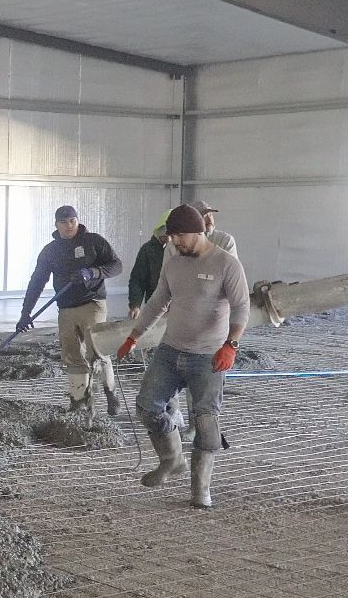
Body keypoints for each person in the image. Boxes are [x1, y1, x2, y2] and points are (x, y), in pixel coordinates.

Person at [116, 204, 249, 508]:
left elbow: (242, 308)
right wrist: (133, 336)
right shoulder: (173, 264)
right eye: (172, 236)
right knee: (147, 407)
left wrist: (232, 344)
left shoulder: (226, 264)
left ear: (199, 231)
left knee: (205, 421)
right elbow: (157, 303)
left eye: (180, 236)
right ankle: (172, 460)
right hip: (170, 350)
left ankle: (200, 488)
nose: (175, 242)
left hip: (208, 355)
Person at [17, 205, 124, 421]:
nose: (69, 226)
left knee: (97, 350)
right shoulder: (51, 250)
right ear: (56, 225)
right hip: (65, 307)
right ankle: (78, 401)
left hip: (92, 302)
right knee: (72, 354)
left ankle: (110, 392)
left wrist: (93, 272)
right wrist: (25, 313)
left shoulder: (94, 241)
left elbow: (116, 266)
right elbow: (37, 281)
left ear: (77, 221)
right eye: (64, 222)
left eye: (72, 221)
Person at [128, 211, 171, 321]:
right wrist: (135, 304)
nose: (168, 241)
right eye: (164, 237)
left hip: (180, 310)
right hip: (155, 307)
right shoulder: (148, 250)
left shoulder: (185, 251)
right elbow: (137, 279)